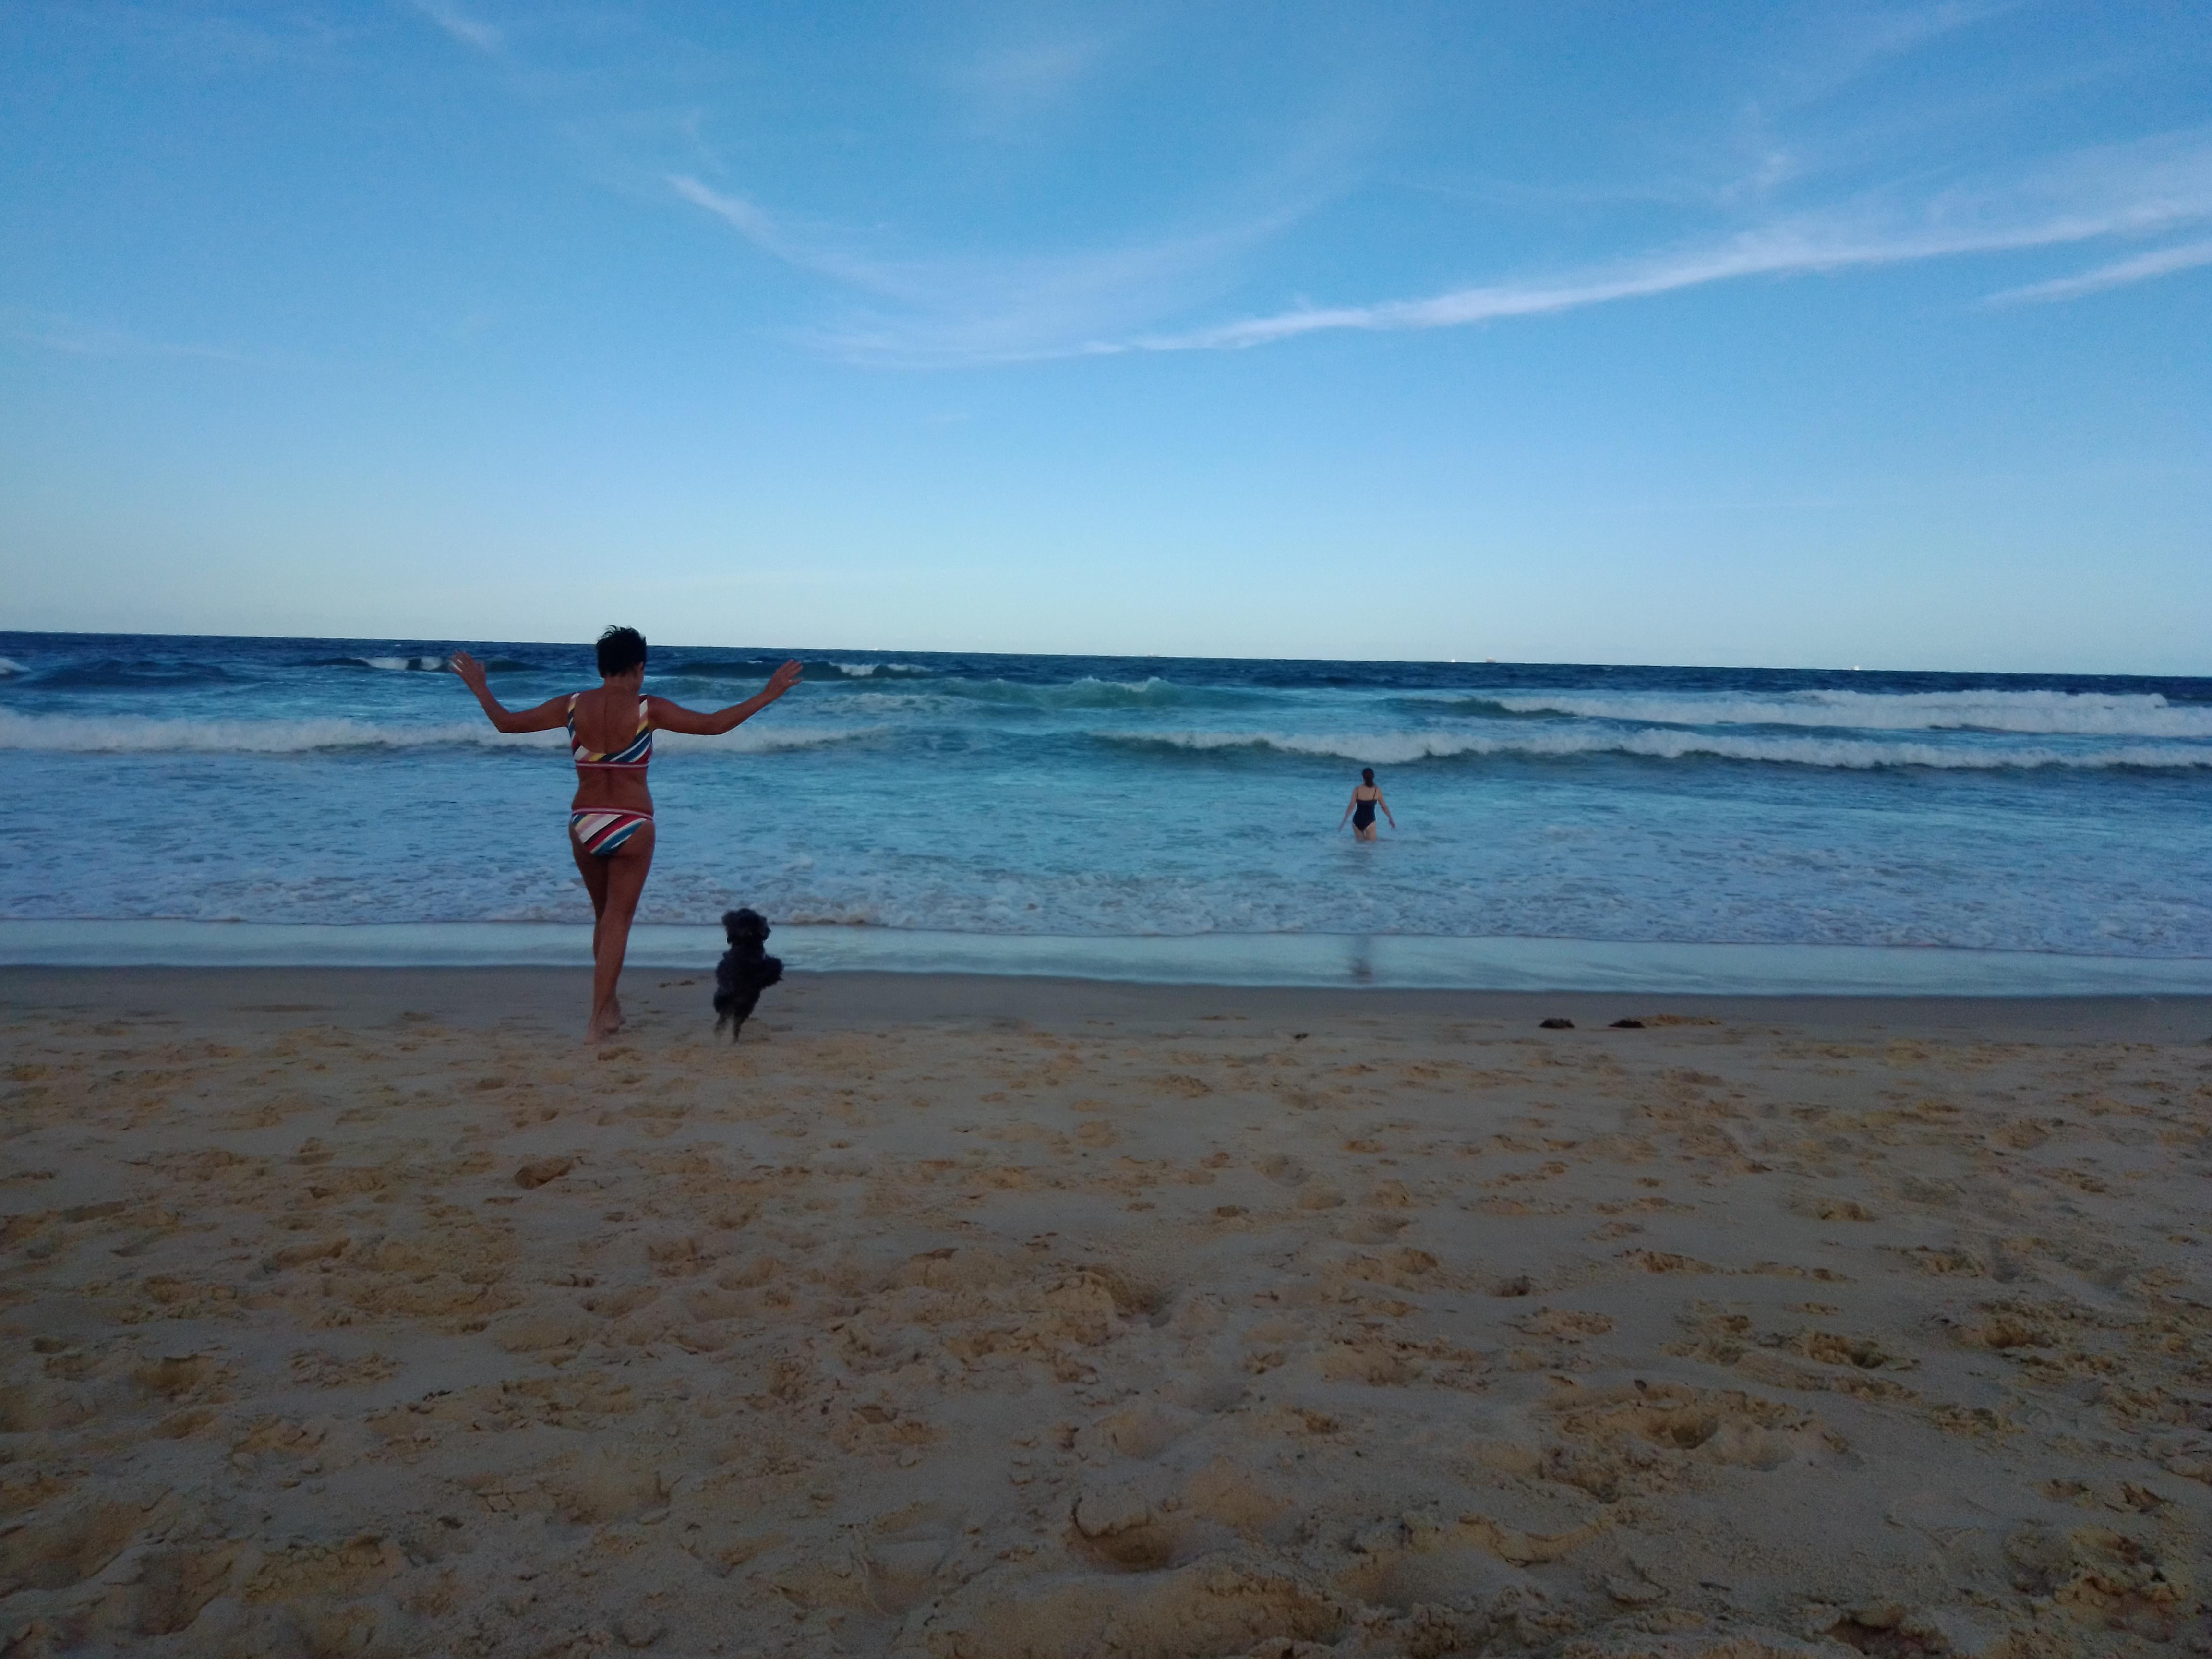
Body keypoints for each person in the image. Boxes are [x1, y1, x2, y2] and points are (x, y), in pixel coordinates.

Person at [452, 629, 802, 1045]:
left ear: (602, 667)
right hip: (632, 823)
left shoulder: (572, 705)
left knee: (605, 918)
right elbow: (714, 725)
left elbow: (506, 723)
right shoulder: (646, 708)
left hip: (584, 822)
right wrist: (768, 694)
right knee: (618, 921)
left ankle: (611, 1007)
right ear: (639, 667)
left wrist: (480, 686)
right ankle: (597, 1020)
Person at [1339, 767, 1395, 842]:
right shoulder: (1377, 790)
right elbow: (1384, 807)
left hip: (1357, 821)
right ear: (1373, 777)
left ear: (1363, 777)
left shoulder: (1357, 790)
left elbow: (1351, 807)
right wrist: (1390, 819)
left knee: (1359, 845)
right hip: (1370, 821)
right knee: (1372, 846)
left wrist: (1343, 822)